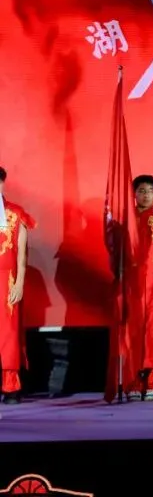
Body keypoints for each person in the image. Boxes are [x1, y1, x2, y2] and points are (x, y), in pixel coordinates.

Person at [122, 175, 153, 401]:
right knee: (132, 333)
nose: (146, 195)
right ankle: (132, 381)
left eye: (150, 191)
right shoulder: (125, 221)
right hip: (131, 285)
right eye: (141, 190)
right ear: (134, 193)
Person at [0, 167, 34, 405]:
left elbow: (22, 254)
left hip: (7, 279)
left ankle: (10, 384)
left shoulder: (15, 213)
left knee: (8, 333)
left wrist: (20, 282)